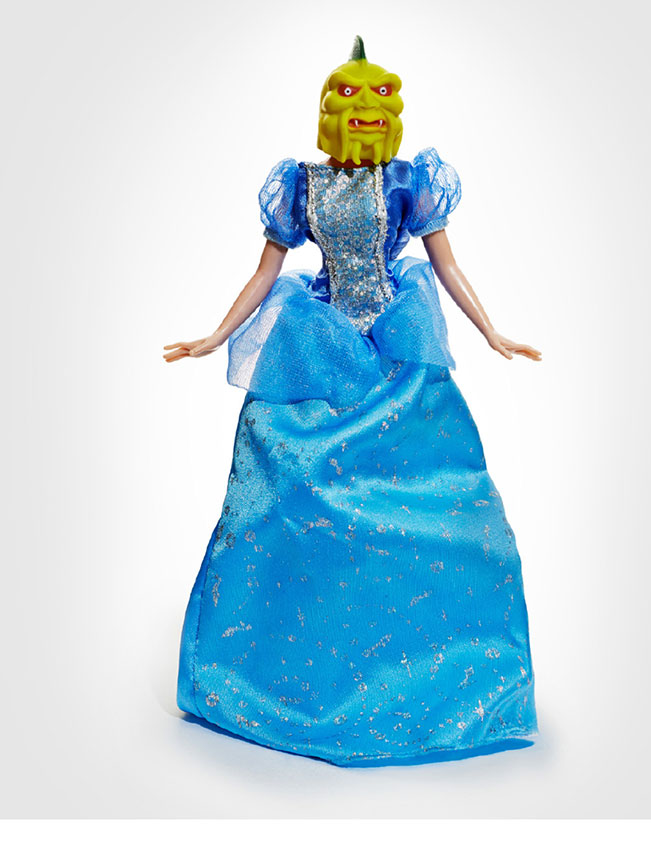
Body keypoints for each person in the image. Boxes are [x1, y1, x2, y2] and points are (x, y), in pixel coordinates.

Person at [164, 37, 541, 767]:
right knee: (286, 492)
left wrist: (491, 331)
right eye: (352, 102)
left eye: (377, 104)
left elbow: (447, 265)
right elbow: (264, 272)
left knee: (441, 502)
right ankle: (275, 670)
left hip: (397, 342)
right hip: (320, 346)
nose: (366, 114)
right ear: (332, 114)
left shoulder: (405, 182)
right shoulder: (301, 185)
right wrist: (216, 336)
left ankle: (437, 669)